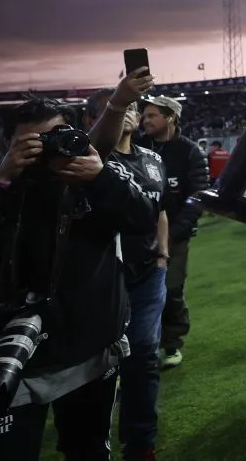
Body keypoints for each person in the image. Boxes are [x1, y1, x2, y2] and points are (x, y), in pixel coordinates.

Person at [0, 97, 156, 460]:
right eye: (31, 144)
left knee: (89, 451)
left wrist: (100, 178)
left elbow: (143, 220)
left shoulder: (95, 178)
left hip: (88, 351)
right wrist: (0, 181)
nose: (46, 153)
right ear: (8, 146)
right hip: (9, 353)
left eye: (54, 139)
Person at [85, 89, 169, 461]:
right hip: (102, 277)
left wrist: (163, 256)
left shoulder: (153, 159)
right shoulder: (88, 160)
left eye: (133, 107)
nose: (130, 113)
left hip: (148, 276)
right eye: (116, 109)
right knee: (97, 364)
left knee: (143, 357)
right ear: (93, 121)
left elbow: (159, 210)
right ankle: (89, 442)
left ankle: (141, 444)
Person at [137, 96, 209, 369]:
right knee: (140, 293)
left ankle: (171, 344)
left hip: (176, 236)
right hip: (140, 235)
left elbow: (198, 197)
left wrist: (174, 233)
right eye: (144, 116)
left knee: (171, 290)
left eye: (152, 115)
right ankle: (146, 344)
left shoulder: (190, 152)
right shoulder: (138, 147)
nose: (146, 121)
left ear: (170, 118)